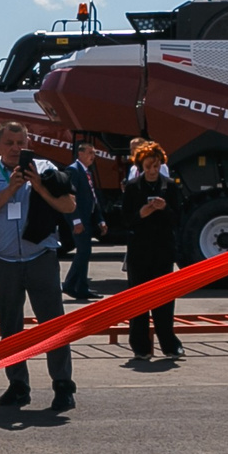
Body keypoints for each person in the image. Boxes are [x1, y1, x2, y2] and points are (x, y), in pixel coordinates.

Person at [0, 118, 79, 413]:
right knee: (10, 327)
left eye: (21, 143)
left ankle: (63, 385)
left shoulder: (44, 169)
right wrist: (9, 190)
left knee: (53, 325)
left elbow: (68, 206)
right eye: (10, 143)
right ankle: (18, 385)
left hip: (40, 257)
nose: (16, 149)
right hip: (3, 262)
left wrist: (39, 187)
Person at [120, 141, 185, 358]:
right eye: (148, 167)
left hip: (163, 249)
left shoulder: (170, 186)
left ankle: (169, 343)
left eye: (155, 167)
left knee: (164, 300)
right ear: (141, 166)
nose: (152, 171)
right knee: (138, 300)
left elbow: (179, 218)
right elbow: (125, 220)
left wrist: (164, 208)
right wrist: (142, 213)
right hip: (139, 250)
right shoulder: (132, 187)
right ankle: (140, 346)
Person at [62, 142, 104, 301]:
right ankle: (70, 284)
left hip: (88, 218)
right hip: (79, 219)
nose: (93, 156)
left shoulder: (87, 171)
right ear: (80, 154)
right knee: (83, 251)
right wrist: (76, 221)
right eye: (90, 153)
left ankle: (81, 287)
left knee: (85, 252)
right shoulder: (73, 170)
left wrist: (100, 220)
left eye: (94, 153)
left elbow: (92, 197)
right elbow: (71, 197)